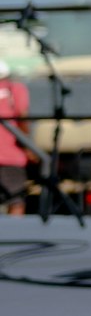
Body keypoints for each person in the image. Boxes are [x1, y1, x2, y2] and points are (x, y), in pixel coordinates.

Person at [0, 59, 31, 215]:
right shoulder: (15, 89)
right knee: (16, 201)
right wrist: (30, 147)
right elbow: (23, 119)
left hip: (9, 155)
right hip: (11, 156)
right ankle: (15, 233)